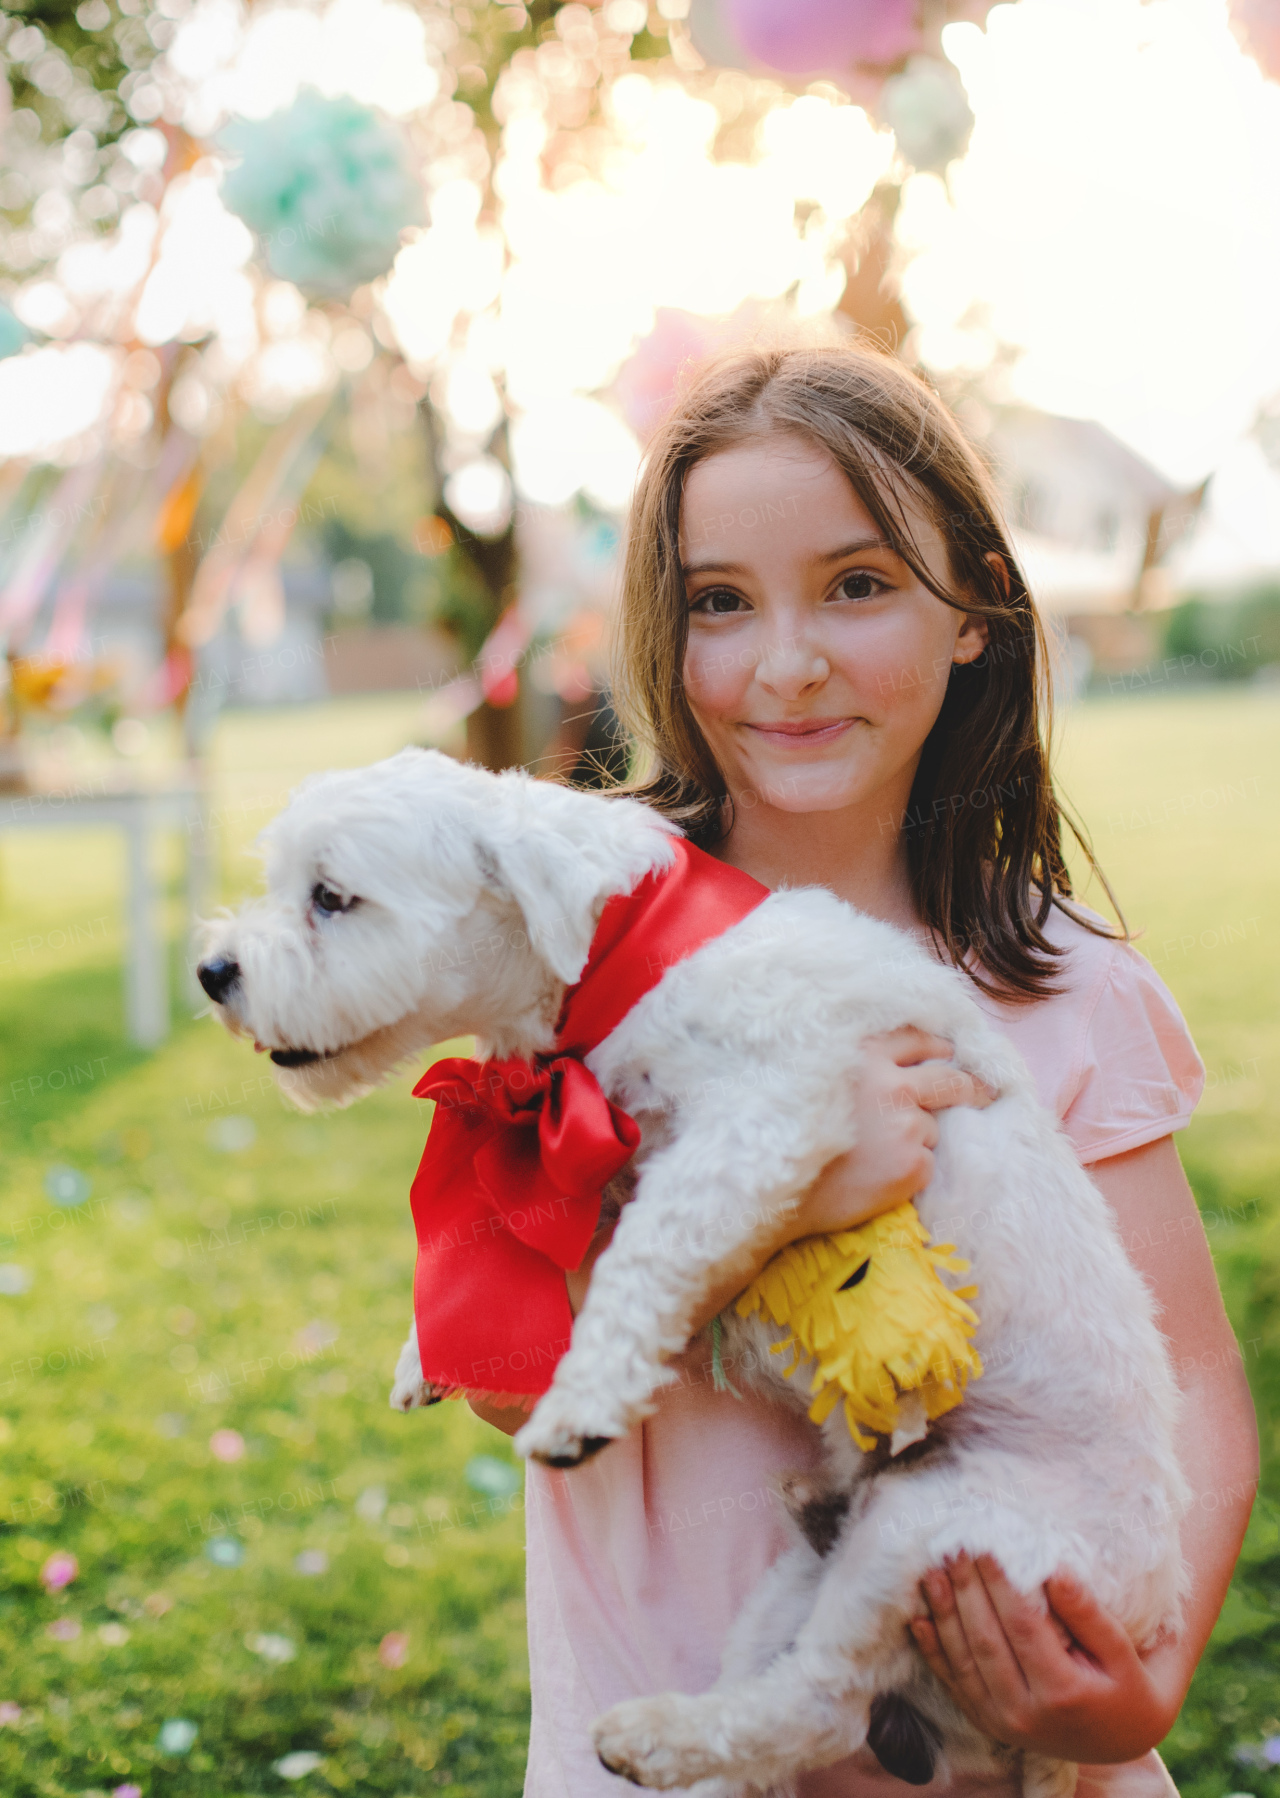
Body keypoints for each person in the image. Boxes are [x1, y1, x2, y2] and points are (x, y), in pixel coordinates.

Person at [469, 344, 1258, 1798]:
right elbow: (506, 1380)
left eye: (858, 582)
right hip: (664, 1754)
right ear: (669, 632)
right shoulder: (583, 955)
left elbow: (1197, 1383)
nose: (785, 661)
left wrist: (1136, 1686)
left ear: (973, 614)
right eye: (722, 601)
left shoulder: (1062, 982)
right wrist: (797, 1188)